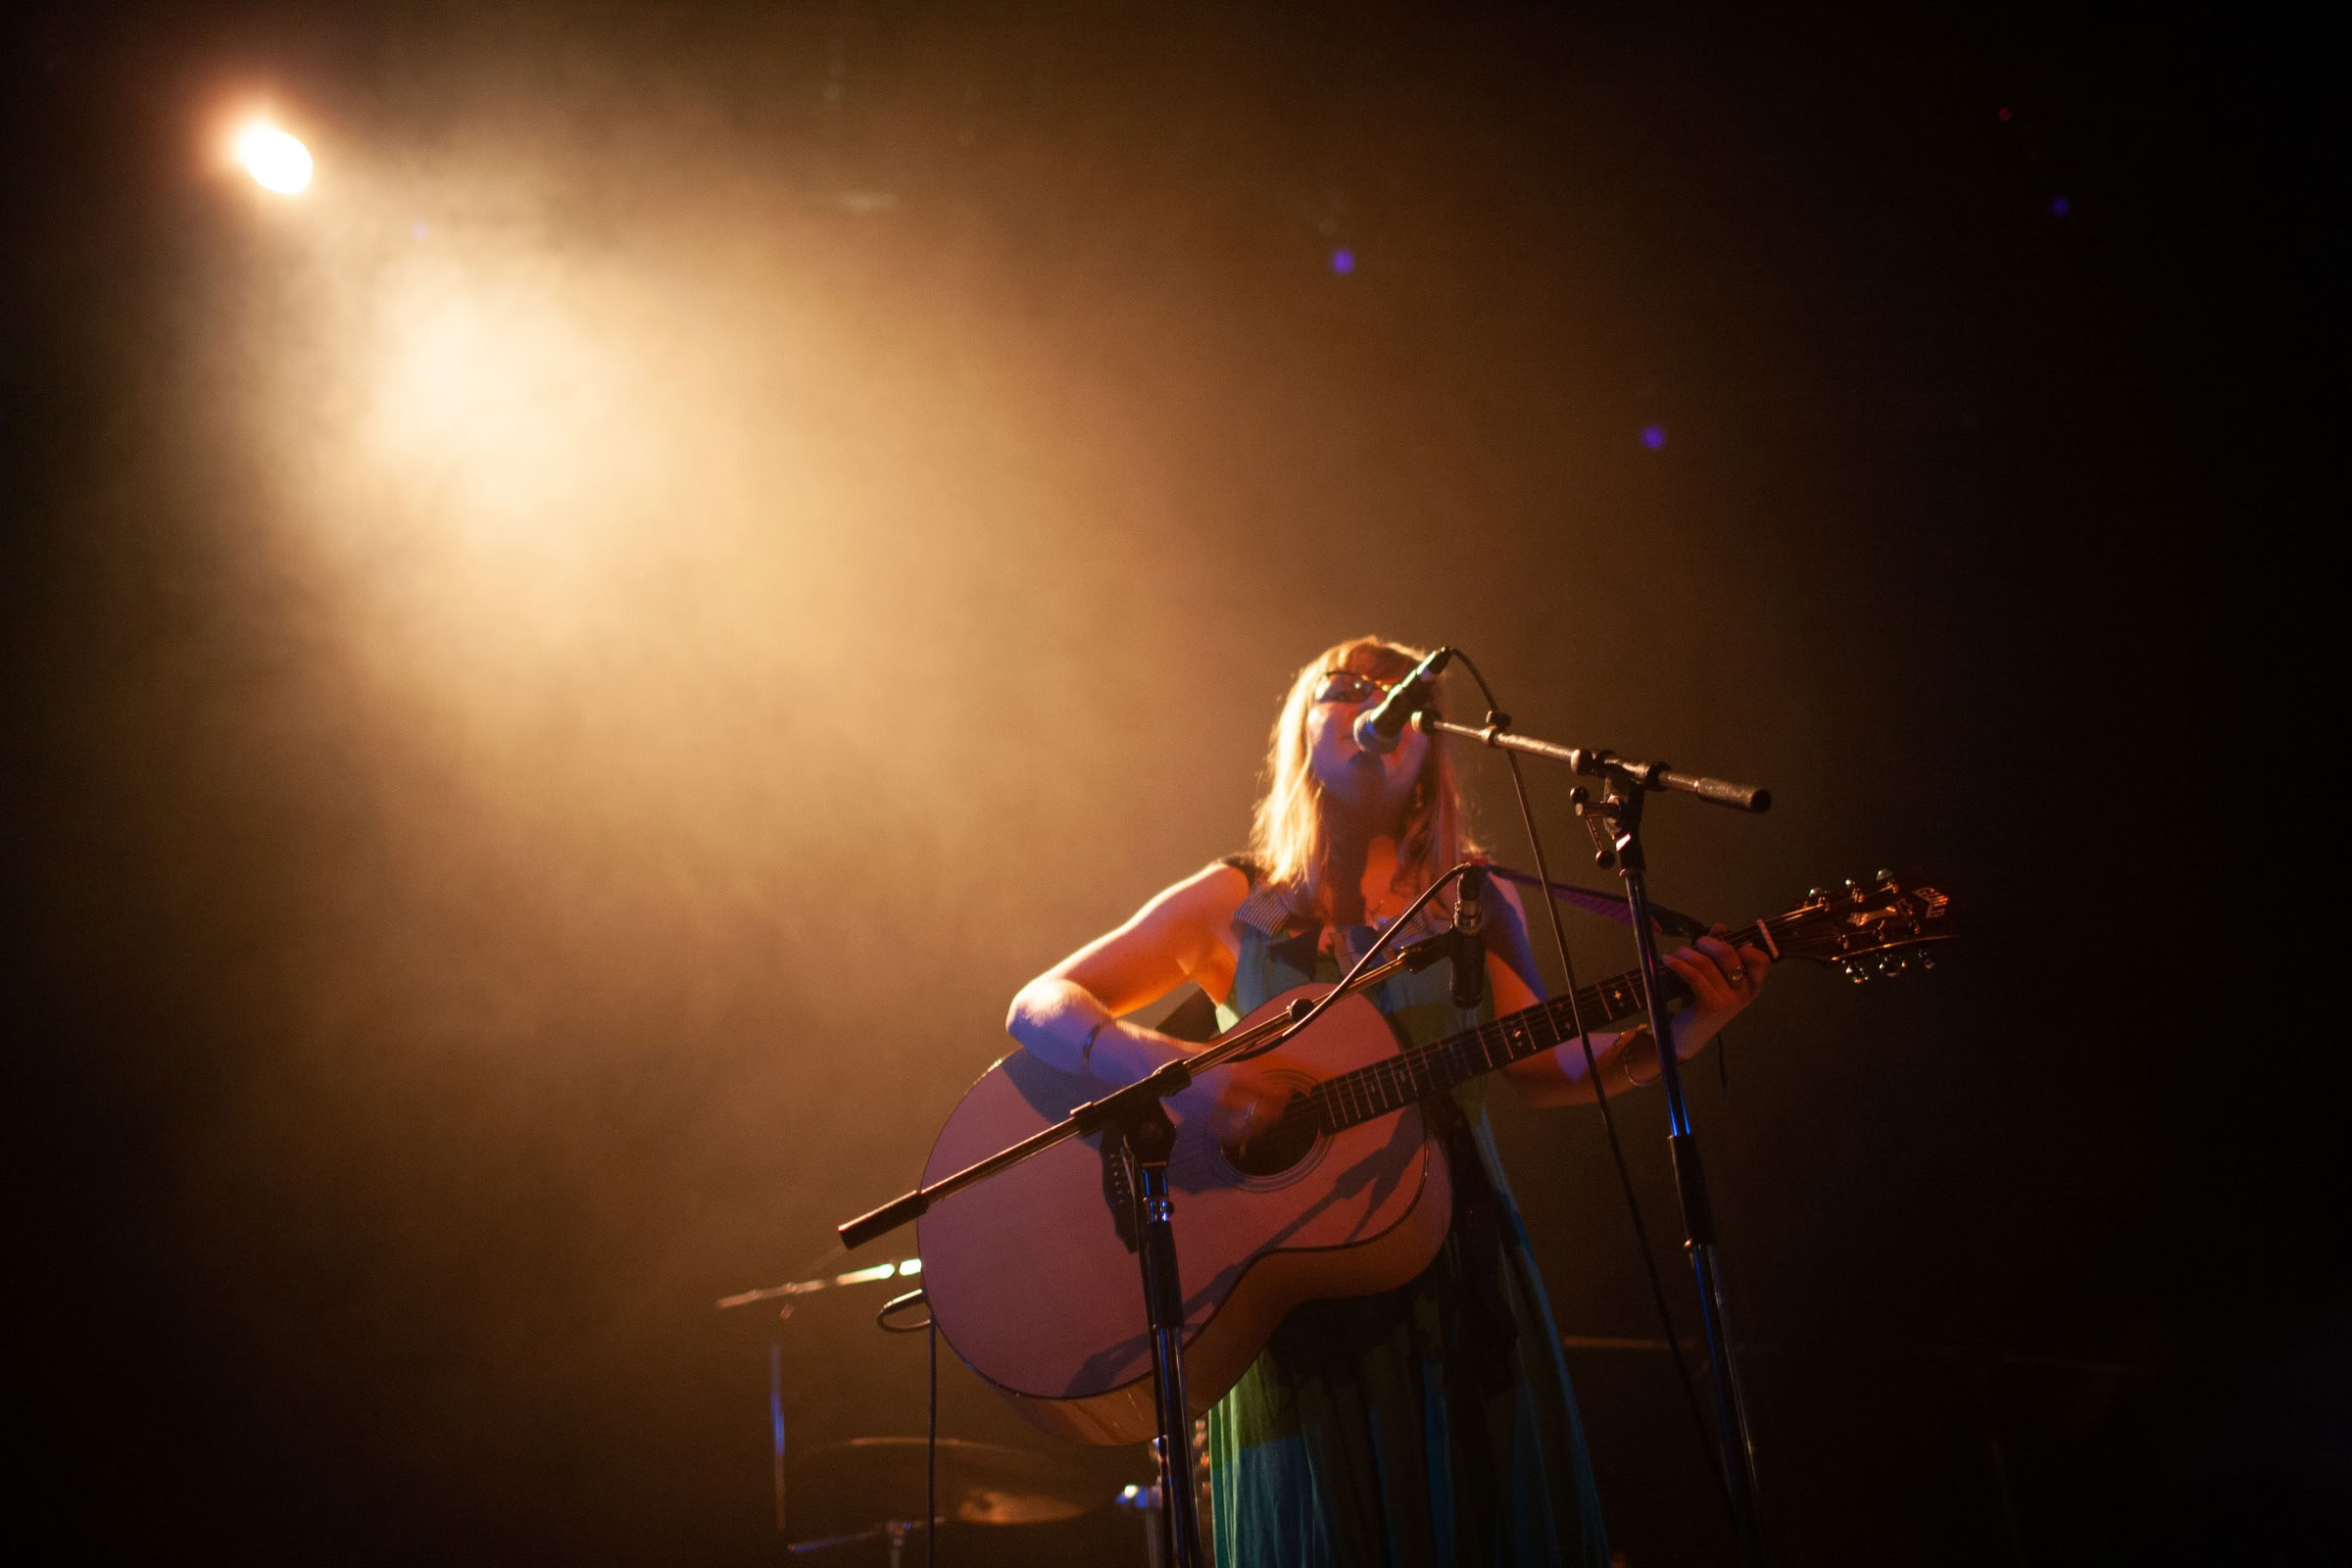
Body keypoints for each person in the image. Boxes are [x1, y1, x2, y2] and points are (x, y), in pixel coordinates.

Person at [1004, 635, 1769, 1567]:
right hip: (1285, 1299)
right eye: (1345, 686)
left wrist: (1676, 1035)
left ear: (1430, 751)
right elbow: (1040, 1006)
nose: (1377, 699)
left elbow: (1550, 1065)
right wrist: (1175, 1068)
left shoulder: (1470, 899)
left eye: (1400, 692)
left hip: (1461, 1276)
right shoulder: (1233, 899)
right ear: (1301, 732)